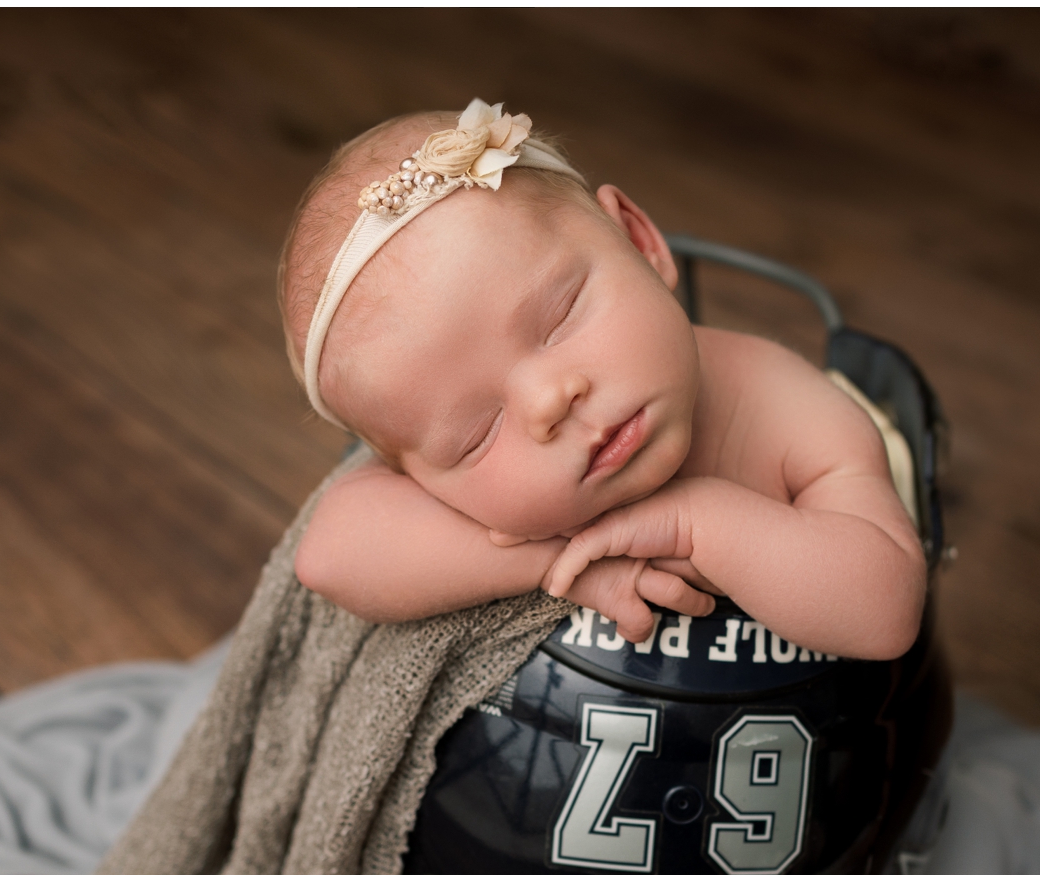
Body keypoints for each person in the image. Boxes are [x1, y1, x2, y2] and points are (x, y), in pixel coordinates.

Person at [282, 101, 926, 661]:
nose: (547, 402)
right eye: (478, 433)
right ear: (413, 475)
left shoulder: (786, 408)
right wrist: (562, 564)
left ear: (637, 241)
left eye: (559, 318)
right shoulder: (473, 502)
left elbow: (885, 611)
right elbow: (327, 556)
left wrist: (692, 525)